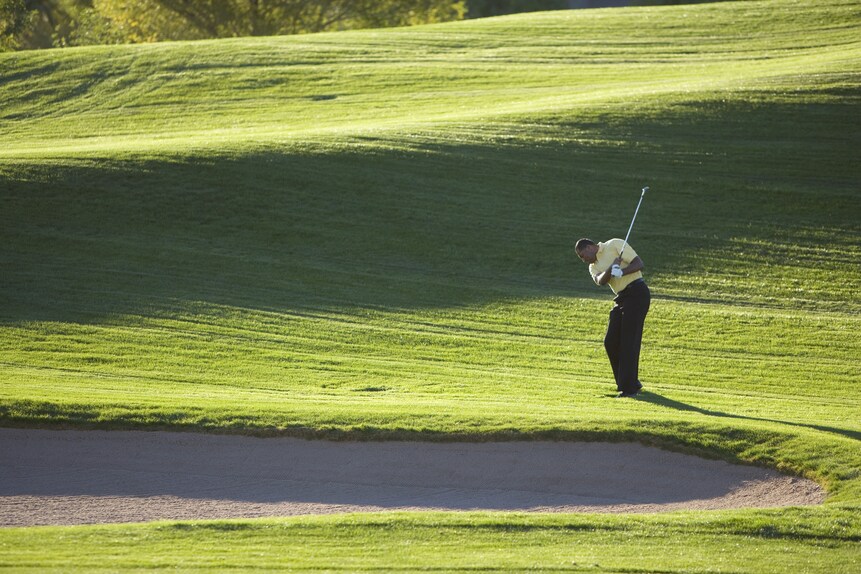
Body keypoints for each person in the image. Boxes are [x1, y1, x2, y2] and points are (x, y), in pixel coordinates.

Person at [575, 237, 651, 398]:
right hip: (622, 297)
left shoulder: (614, 244)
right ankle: (629, 381)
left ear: (589, 247)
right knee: (610, 341)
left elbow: (639, 264)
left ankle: (629, 389)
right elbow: (601, 281)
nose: (583, 260)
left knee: (629, 341)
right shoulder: (592, 267)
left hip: (637, 292)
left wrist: (621, 271)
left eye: (583, 255)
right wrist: (612, 268)